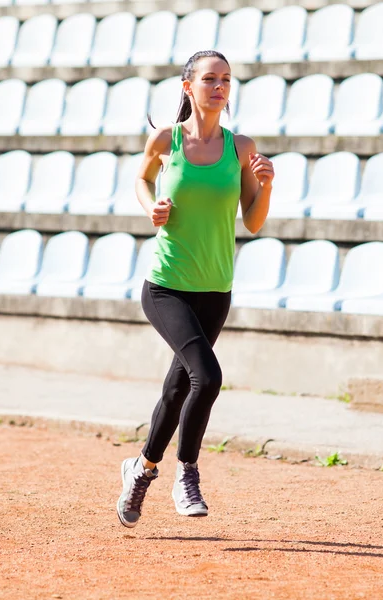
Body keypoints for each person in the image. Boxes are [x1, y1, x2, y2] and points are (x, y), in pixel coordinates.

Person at [116, 50, 275, 528]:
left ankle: (140, 470)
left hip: (215, 290)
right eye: (209, 78)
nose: (219, 86)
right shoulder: (166, 140)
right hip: (166, 286)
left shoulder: (241, 147)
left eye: (226, 79)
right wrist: (152, 207)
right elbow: (141, 179)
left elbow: (253, 221)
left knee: (177, 386)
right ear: (189, 87)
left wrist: (265, 186)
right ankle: (186, 473)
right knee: (207, 377)